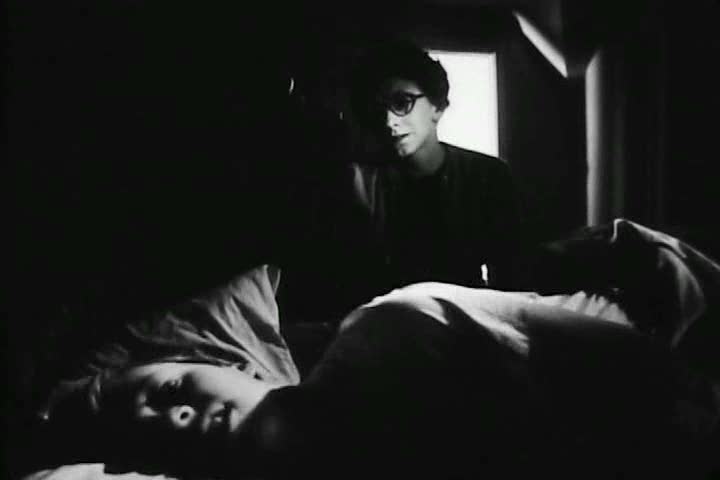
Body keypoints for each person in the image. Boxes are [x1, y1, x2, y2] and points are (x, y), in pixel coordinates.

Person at [311, 40, 526, 316]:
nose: (389, 121)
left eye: (402, 103)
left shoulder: (487, 176)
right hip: (384, 322)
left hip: (465, 320)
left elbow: (512, 278)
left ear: (437, 107)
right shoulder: (356, 180)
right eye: (378, 108)